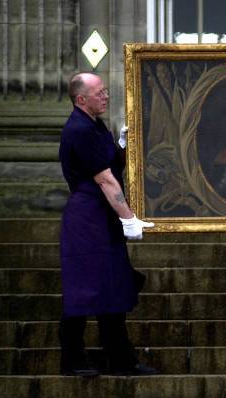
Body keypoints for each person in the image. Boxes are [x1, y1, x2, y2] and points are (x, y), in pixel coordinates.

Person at [58, 72, 157, 376]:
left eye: (104, 91)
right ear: (81, 99)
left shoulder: (95, 125)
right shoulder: (79, 129)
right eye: (99, 92)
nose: (106, 96)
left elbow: (112, 165)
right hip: (88, 218)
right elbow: (104, 178)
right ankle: (72, 361)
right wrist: (128, 218)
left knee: (111, 288)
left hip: (100, 217)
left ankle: (121, 360)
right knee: (84, 290)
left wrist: (123, 145)